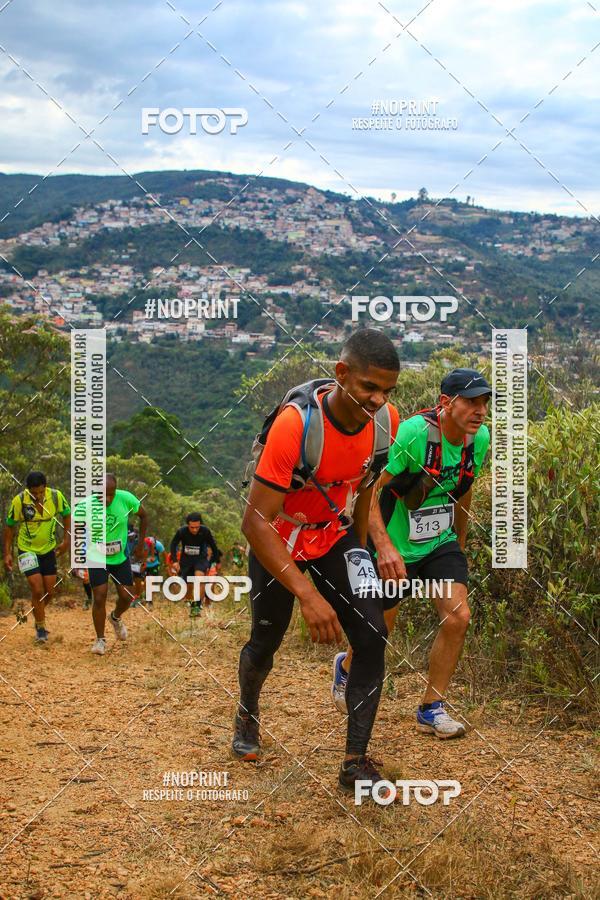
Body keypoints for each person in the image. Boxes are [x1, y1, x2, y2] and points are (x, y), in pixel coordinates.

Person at [233, 329, 400, 795]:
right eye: (369, 387)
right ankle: (247, 712)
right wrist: (307, 595)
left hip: (331, 533)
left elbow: (364, 491)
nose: (378, 399)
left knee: (372, 634)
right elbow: (255, 523)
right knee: (267, 639)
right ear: (342, 374)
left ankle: (354, 763)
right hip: (278, 537)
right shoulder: (296, 425)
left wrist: (368, 552)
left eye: (388, 390)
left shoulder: (385, 421)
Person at [331, 368, 491, 739]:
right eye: (471, 402)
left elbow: (462, 487)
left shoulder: (477, 438)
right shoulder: (414, 435)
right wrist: (383, 547)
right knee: (378, 631)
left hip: (438, 542)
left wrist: (459, 543)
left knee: (458, 617)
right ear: (446, 403)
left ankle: (431, 708)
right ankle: (346, 666)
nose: (480, 410)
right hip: (393, 543)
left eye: (484, 402)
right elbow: (369, 489)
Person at [73, 474, 147, 655]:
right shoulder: (85, 506)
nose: (107, 499)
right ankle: (100, 640)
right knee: (99, 597)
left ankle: (115, 617)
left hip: (119, 557)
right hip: (96, 557)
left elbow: (144, 516)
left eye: (111, 494)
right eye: (102, 495)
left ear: (116, 491)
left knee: (127, 596)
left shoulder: (126, 498)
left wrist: (140, 545)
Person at [3, 471, 71, 643]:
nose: (38, 496)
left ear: (45, 487)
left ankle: (37, 609)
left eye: (41, 492)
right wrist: (7, 553)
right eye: (34, 493)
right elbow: (10, 527)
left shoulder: (56, 496)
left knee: (50, 591)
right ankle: (40, 629)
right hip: (27, 549)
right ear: (28, 490)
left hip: (48, 550)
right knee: (37, 590)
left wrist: (66, 540)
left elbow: (67, 514)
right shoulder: (20, 501)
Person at [169, 513, 221, 616]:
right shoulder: (182, 531)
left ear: (200, 524)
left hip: (200, 559)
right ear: (188, 525)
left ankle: (196, 606)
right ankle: (190, 602)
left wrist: (216, 561)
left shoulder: (205, 531)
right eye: (192, 527)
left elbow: (213, 546)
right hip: (186, 560)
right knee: (188, 586)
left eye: (197, 527)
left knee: (199, 579)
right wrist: (175, 561)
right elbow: (173, 544)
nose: (194, 530)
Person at [141, 536, 165, 606]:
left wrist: (166, 565)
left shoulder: (159, 545)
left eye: (153, 545)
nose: (152, 546)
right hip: (145, 566)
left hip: (154, 565)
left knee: (149, 581)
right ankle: (145, 597)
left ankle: (149, 600)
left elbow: (164, 554)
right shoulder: (143, 544)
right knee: (144, 582)